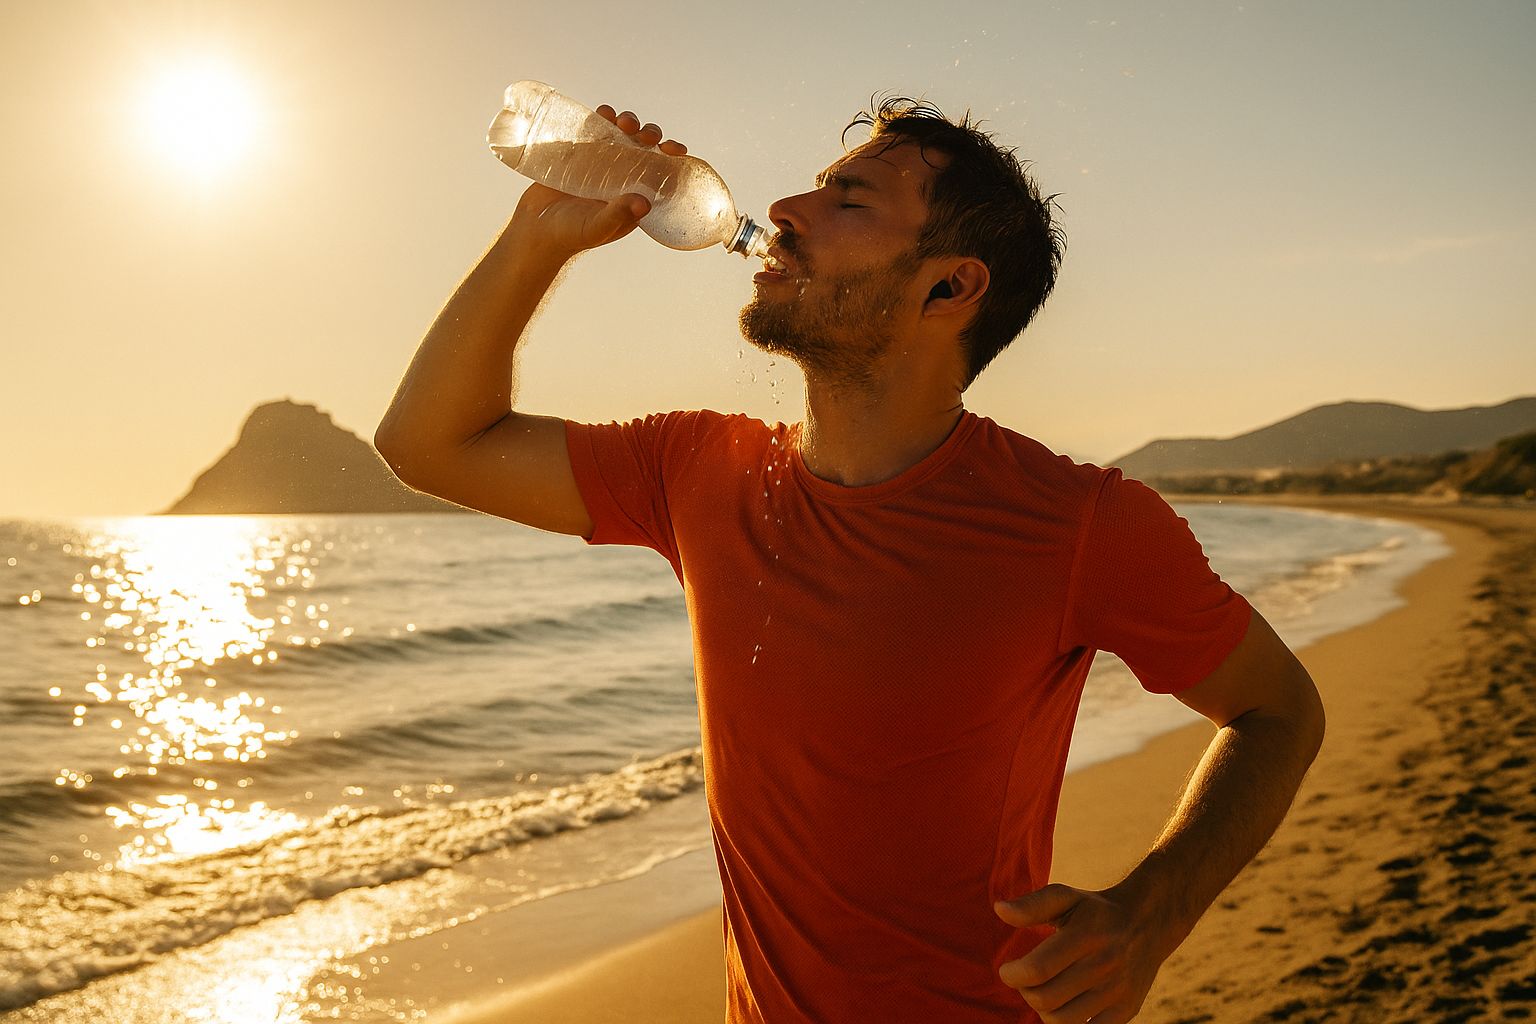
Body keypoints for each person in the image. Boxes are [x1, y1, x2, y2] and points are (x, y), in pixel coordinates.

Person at [375, 97, 1326, 1024]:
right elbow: (428, 445)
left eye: (850, 200)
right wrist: (536, 239)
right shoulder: (699, 469)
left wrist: (1151, 914)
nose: (786, 210)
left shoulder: (1080, 524)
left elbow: (1279, 709)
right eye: (816, 188)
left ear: (949, 288)